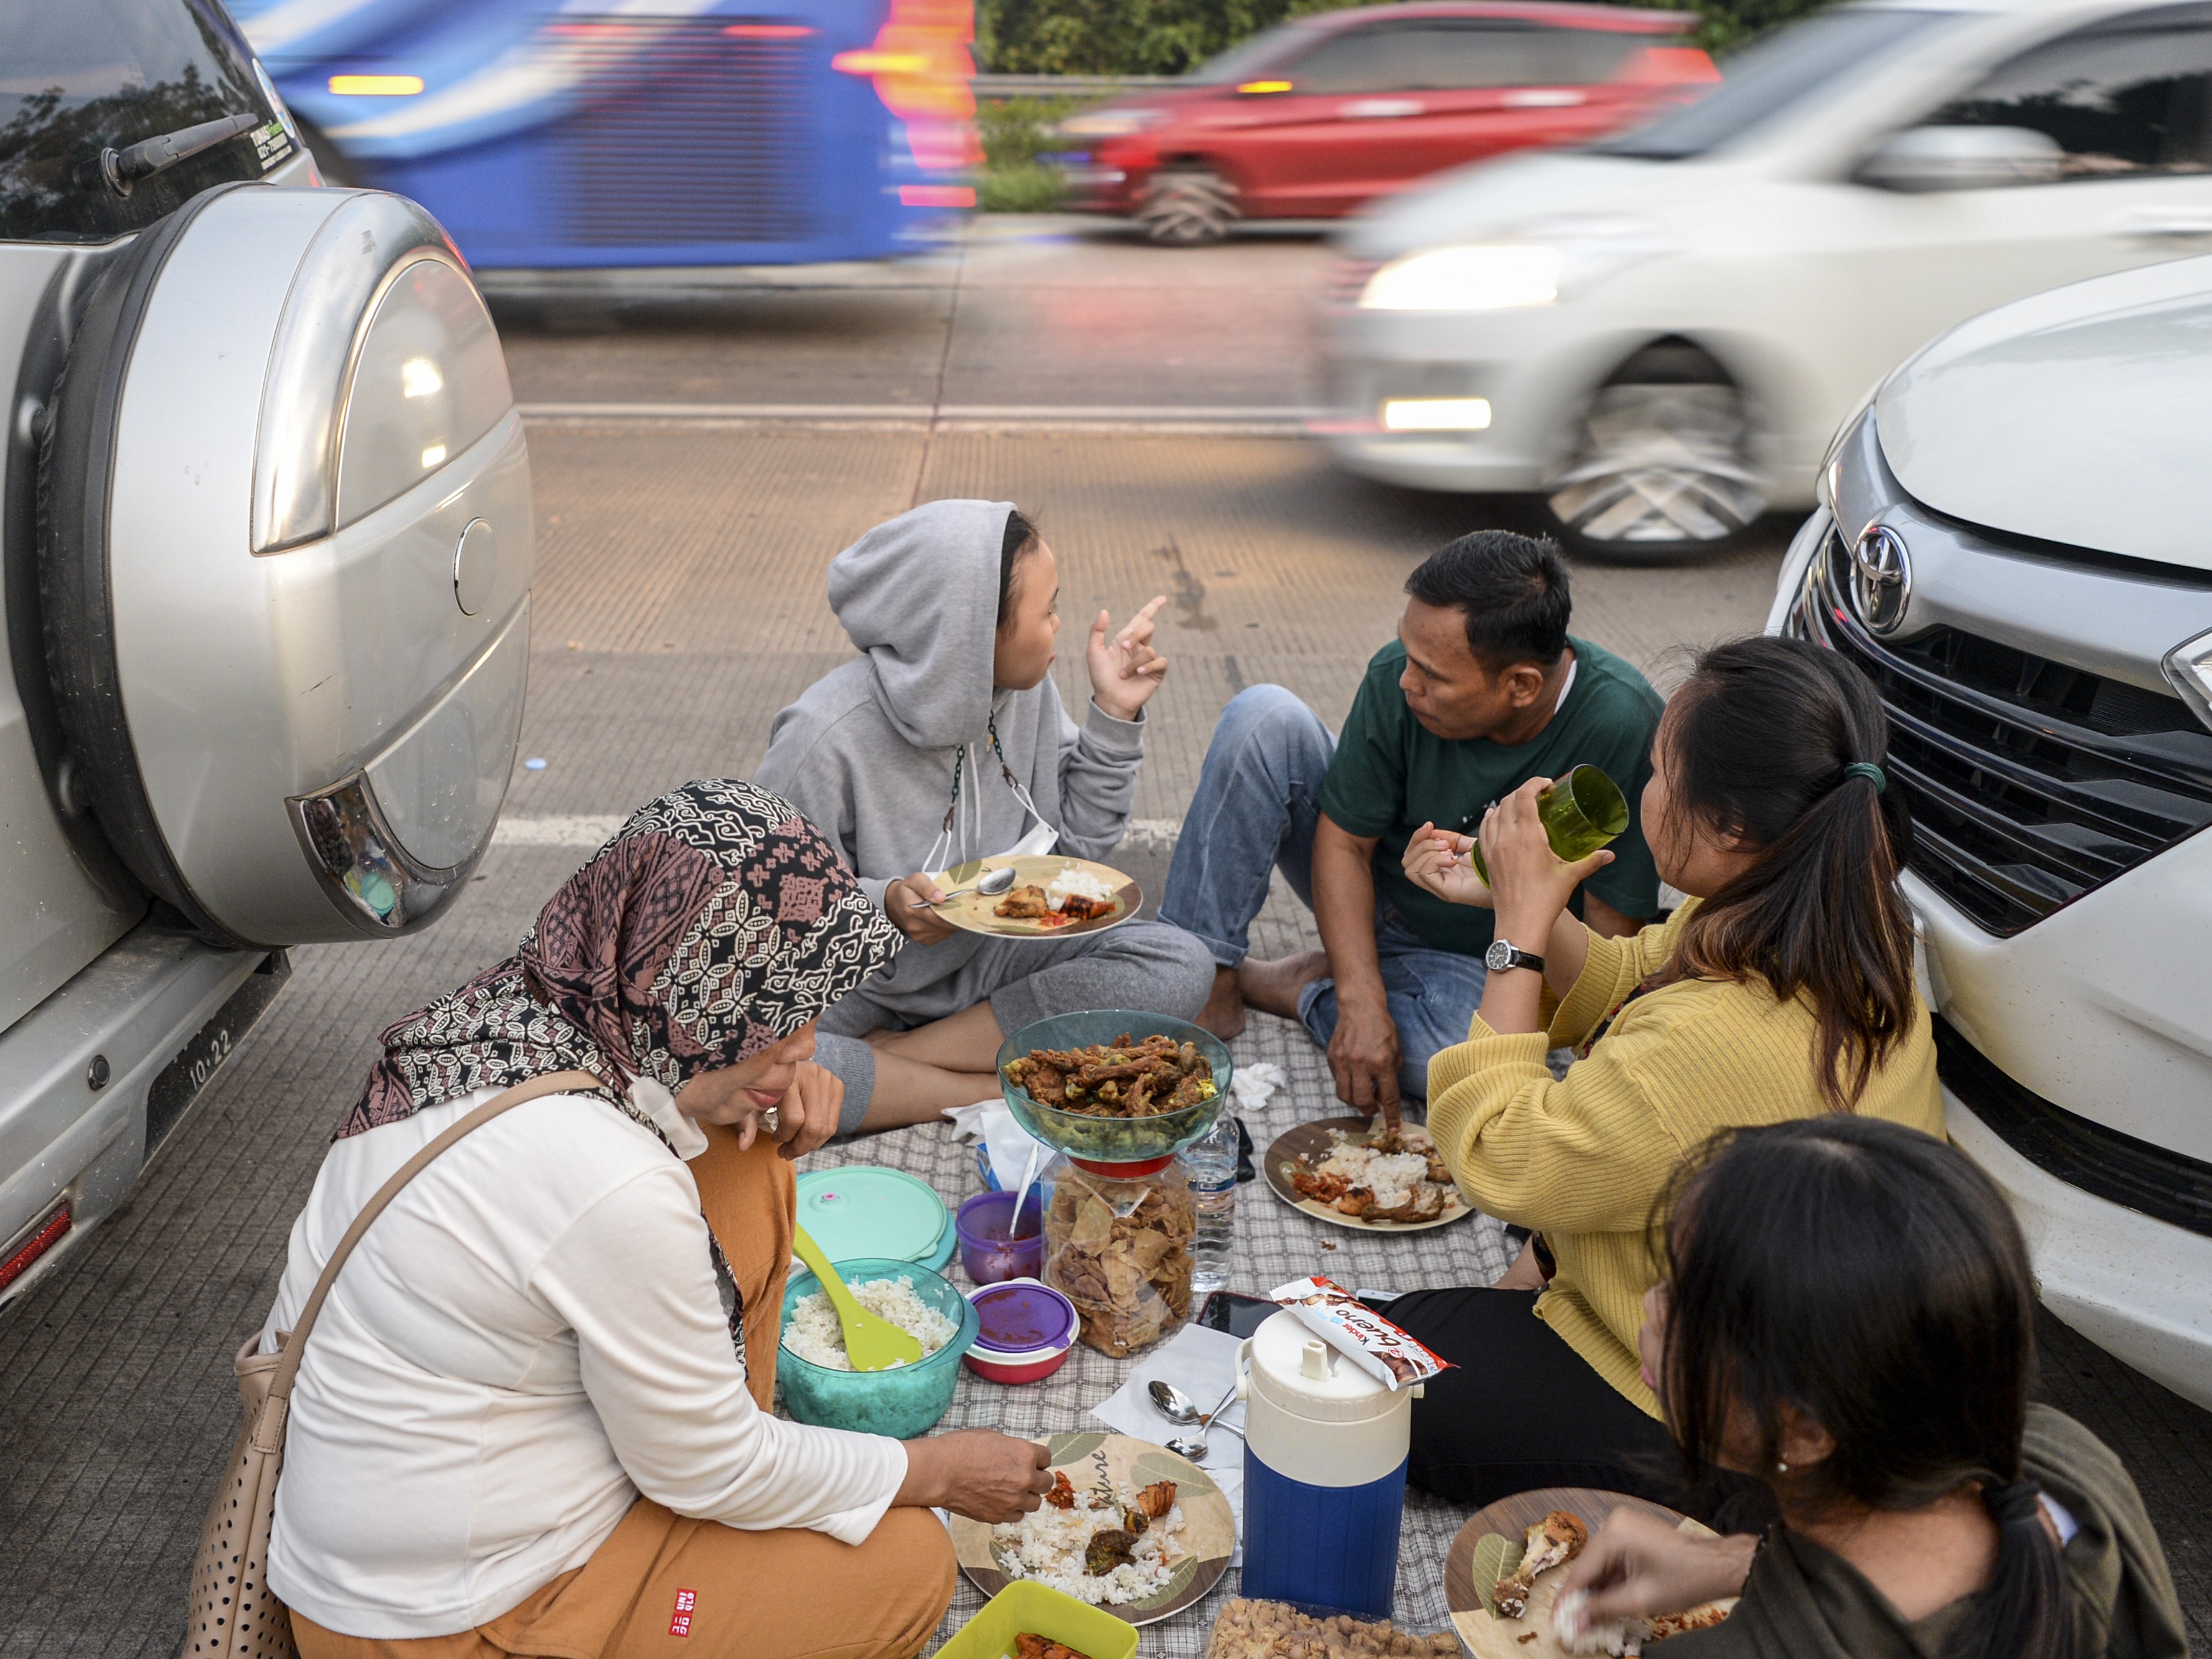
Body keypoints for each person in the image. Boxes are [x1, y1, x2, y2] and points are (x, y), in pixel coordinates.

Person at [260, 781, 1055, 1659]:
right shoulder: (609, 1181)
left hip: (409, 1529)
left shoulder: (521, 1015)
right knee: (906, 1563)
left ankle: (723, 1457)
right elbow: (709, 1467)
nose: (805, 1047)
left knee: (743, 1149)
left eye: (808, 1010)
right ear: (690, 985)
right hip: (452, 1618)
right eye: (773, 1013)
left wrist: (753, 1082)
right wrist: (936, 1471)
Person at [1384, 634, 1944, 1505]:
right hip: (1797, 1339)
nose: (1642, 794)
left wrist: (1516, 941)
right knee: (1407, 1327)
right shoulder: (1828, 907)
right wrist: (1518, 903)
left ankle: (1713, 1512)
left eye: (1656, 772)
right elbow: (1632, 977)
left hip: (1719, 1417)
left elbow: (1499, 1158)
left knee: (1361, 1377)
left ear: (1727, 823)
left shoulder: (1717, 1036)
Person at [1558, 1114, 2188, 1659]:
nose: (1653, 1305)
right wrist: (1735, 1562)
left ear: (1805, 1431)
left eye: (1688, 1298)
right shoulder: (2067, 1462)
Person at [1157, 530, 1662, 1112]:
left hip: (1490, 959)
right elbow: (1344, 843)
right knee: (1262, 717)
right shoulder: (1399, 677)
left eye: (1433, 675)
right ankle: (1209, 973)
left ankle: (1293, 981)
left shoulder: (1622, 722)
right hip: (1380, 892)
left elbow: (1609, 937)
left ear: (1520, 685)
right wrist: (1360, 1002)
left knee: (1452, 1063)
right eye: (1408, 655)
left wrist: (1587, 1066)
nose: (1406, 681)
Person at [756, 499, 1214, 1133]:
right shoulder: (823, 736)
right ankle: (998, 1089)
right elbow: (765, 914)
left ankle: (904, 1062)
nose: (1059, 625)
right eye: (1046, 610)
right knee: (748, 1072)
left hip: (990, 965)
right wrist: (881, 903)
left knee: (1181, 963)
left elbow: (1080, 848)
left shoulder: (1025, 693)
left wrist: (1113, 717)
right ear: (972, 632)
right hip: (860, 992)